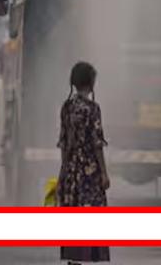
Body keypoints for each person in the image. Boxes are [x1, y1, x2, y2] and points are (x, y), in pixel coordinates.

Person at [56, 61, 110, 264]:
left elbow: (64, 142)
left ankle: (73, 259)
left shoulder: (67, 107)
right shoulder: (92, 109)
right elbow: (97, 143)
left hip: (71, 170)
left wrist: (63, 172)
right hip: (89, 172)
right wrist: (103, 173)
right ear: (91, 82)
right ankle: (88, 257)